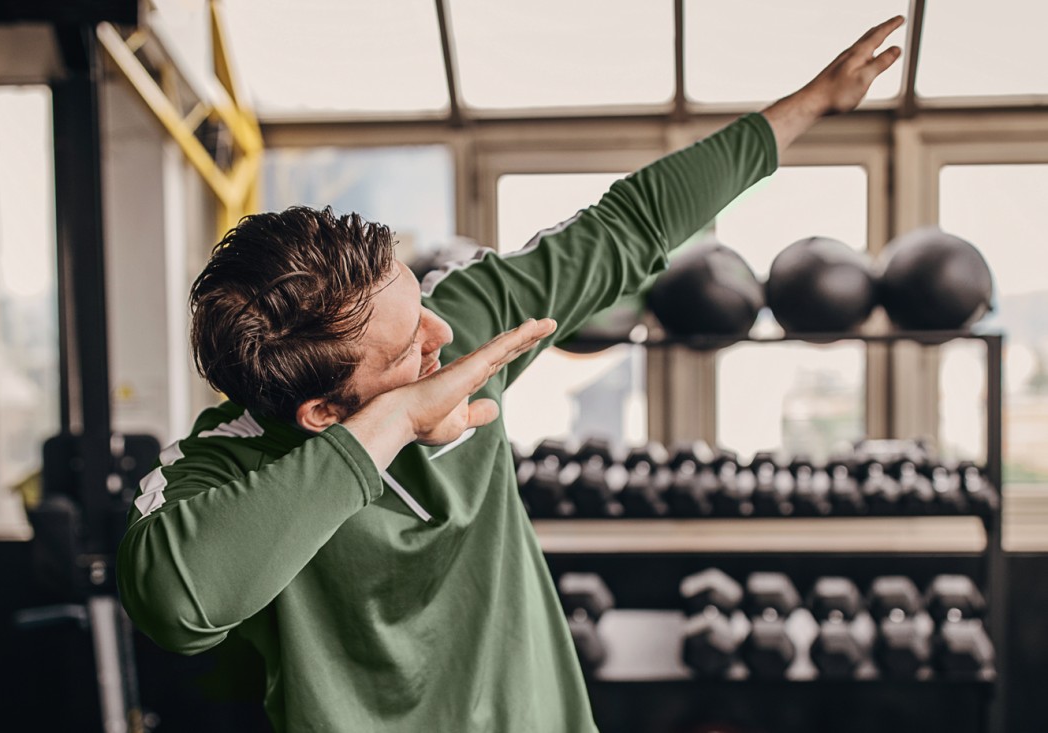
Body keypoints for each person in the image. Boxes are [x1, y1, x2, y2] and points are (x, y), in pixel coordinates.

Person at [118, 16, 904, 732]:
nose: (441, 332)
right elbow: (177, 603)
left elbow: (632, 224)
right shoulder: (219, 465)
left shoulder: (469, 314)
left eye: (416, 300)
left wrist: (816, 100)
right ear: (323, 411)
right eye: (404, 352)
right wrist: (394, 424)